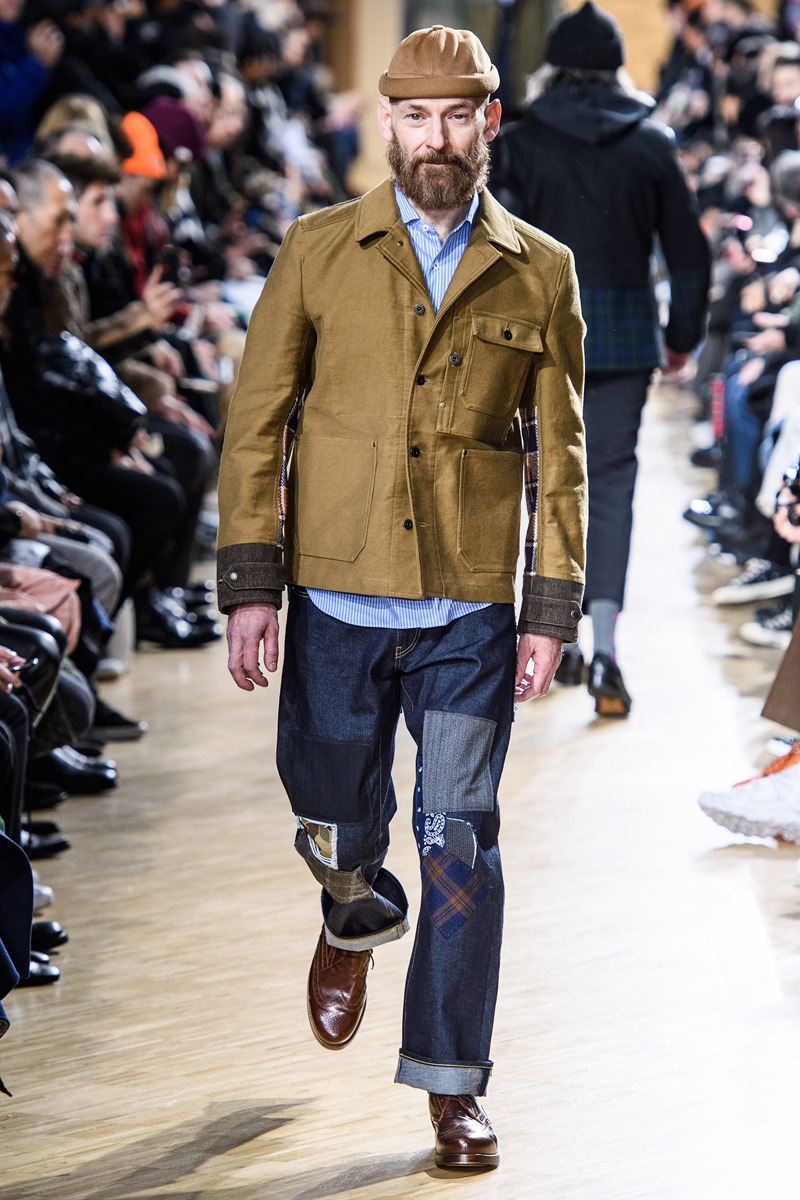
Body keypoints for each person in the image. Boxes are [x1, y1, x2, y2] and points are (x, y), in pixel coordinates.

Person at [217, 24, 587, 1169]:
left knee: (458, 839)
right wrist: (250, 580)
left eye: (456, 116)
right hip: (334, 597)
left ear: (488, 125)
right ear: (386, 124)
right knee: (332, 813)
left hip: (467, 610)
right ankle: (349, 902)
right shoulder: (317, 250)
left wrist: (549, 607)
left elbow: (562, 456)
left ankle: (450, 1083)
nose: (436, 138)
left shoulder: (539, 269)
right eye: (415, 116)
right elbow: (256, 422)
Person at [492, 1, 710, 716]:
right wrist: (681, 336)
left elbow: (492, 246)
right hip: (622, 336)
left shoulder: (519, 143)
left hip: (533, 336)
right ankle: (607, 648)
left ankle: (550, 639)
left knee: (540, 480)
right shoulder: (650, 144)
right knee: (610, 482)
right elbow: (689, 253)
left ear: (551, 67)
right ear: (618, 68)